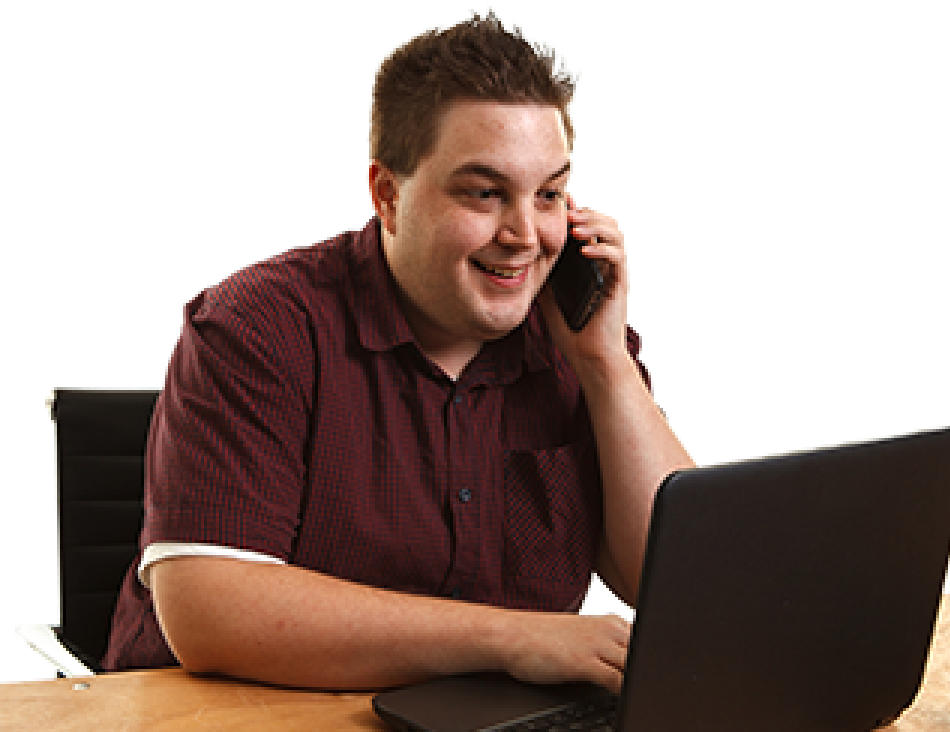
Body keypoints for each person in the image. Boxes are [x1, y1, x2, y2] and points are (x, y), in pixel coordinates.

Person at [101, 9, 694, 692]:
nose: (527, 234)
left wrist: (606, 366)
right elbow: (210, 610)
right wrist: (511, 636)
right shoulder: (258, 327)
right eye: (484, 193)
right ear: (386, 193)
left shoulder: (573, 335)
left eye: (550, 193)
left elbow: (681, 588)